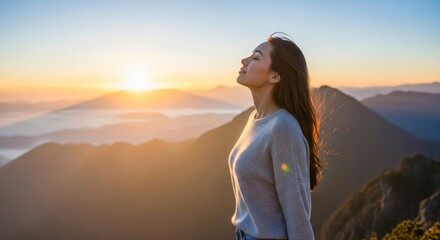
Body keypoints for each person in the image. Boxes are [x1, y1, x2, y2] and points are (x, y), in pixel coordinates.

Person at [228, 32, 326, 240]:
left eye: (255, 57)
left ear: (275, 76)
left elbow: (297, 212)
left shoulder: (283, 128)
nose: (244, 61)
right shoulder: (255, 119)